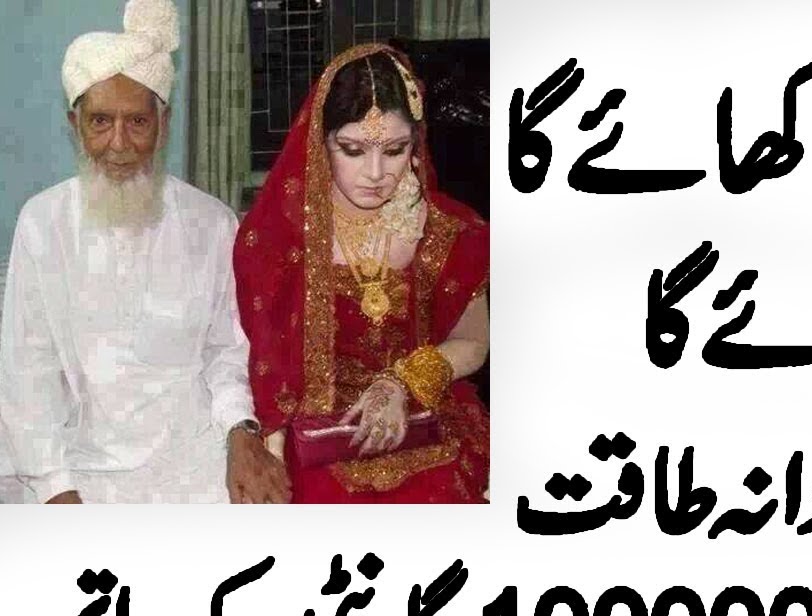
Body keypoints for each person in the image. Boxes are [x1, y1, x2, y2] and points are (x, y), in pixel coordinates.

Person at [0, 0, 288, 503]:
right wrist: (54, 488)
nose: (119, 143)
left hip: (194, 461)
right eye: (100, 121)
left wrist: (240, 432)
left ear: (164, 122)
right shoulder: (42, 224)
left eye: (137, 121)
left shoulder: (212, 223)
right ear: (74, 124)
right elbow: (28, 374)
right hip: (79, 465)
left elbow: (225, 352)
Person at [234, 44, 489, 503]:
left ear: (416, 144)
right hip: (316, 437)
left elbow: (474, 341)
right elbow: (265, 369)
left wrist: (403, 383)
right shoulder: (279, 237)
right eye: (352, 150)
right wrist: (272, 457)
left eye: (394, 150)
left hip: (423, 418)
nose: (375, 173)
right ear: (321, 143)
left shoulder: (450, 229)